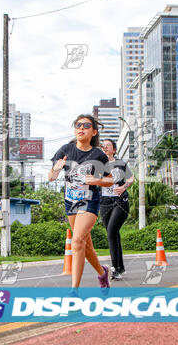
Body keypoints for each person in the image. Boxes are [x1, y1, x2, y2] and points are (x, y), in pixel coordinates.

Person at [49, 114, 114, 295]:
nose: (81, 128)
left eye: (86, 125)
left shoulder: (98, 154)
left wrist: (96, 180)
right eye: (78, 125)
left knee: (76, 240)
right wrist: (56, 168)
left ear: (93, 132)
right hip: (71, 201)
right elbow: (51, 177)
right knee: (85, 246)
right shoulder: (66, 149)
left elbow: (110, 181)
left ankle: (74, 291)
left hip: (89, 201)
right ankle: (102, 273)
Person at [100, 139, 134, 280]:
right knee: (113, 234)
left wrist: (123, 187)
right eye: (103, 145)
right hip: (105, 203)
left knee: (112, 232)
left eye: (108, 145)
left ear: (114, 149)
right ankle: (120, 268)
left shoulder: (120, 163)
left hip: (120, 202)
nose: (105, 147)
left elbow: (131, 178)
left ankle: (115, 269)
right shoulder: (98, 165)